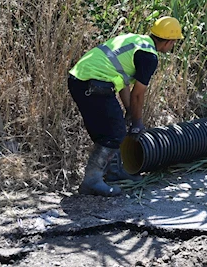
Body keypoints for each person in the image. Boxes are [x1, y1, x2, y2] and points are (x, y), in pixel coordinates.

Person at [68, 16, 183, 196]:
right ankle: (91, 181)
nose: (173, 46)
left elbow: (124, 81)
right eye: (174, 42)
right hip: (92, 83)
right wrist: (137, 122)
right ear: (169, 42)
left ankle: (114, 173)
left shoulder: (136, 41)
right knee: (113, 133)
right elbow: (138, 94)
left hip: (82, 79)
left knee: (114, 130)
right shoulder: (148, 56)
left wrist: (129, 111)